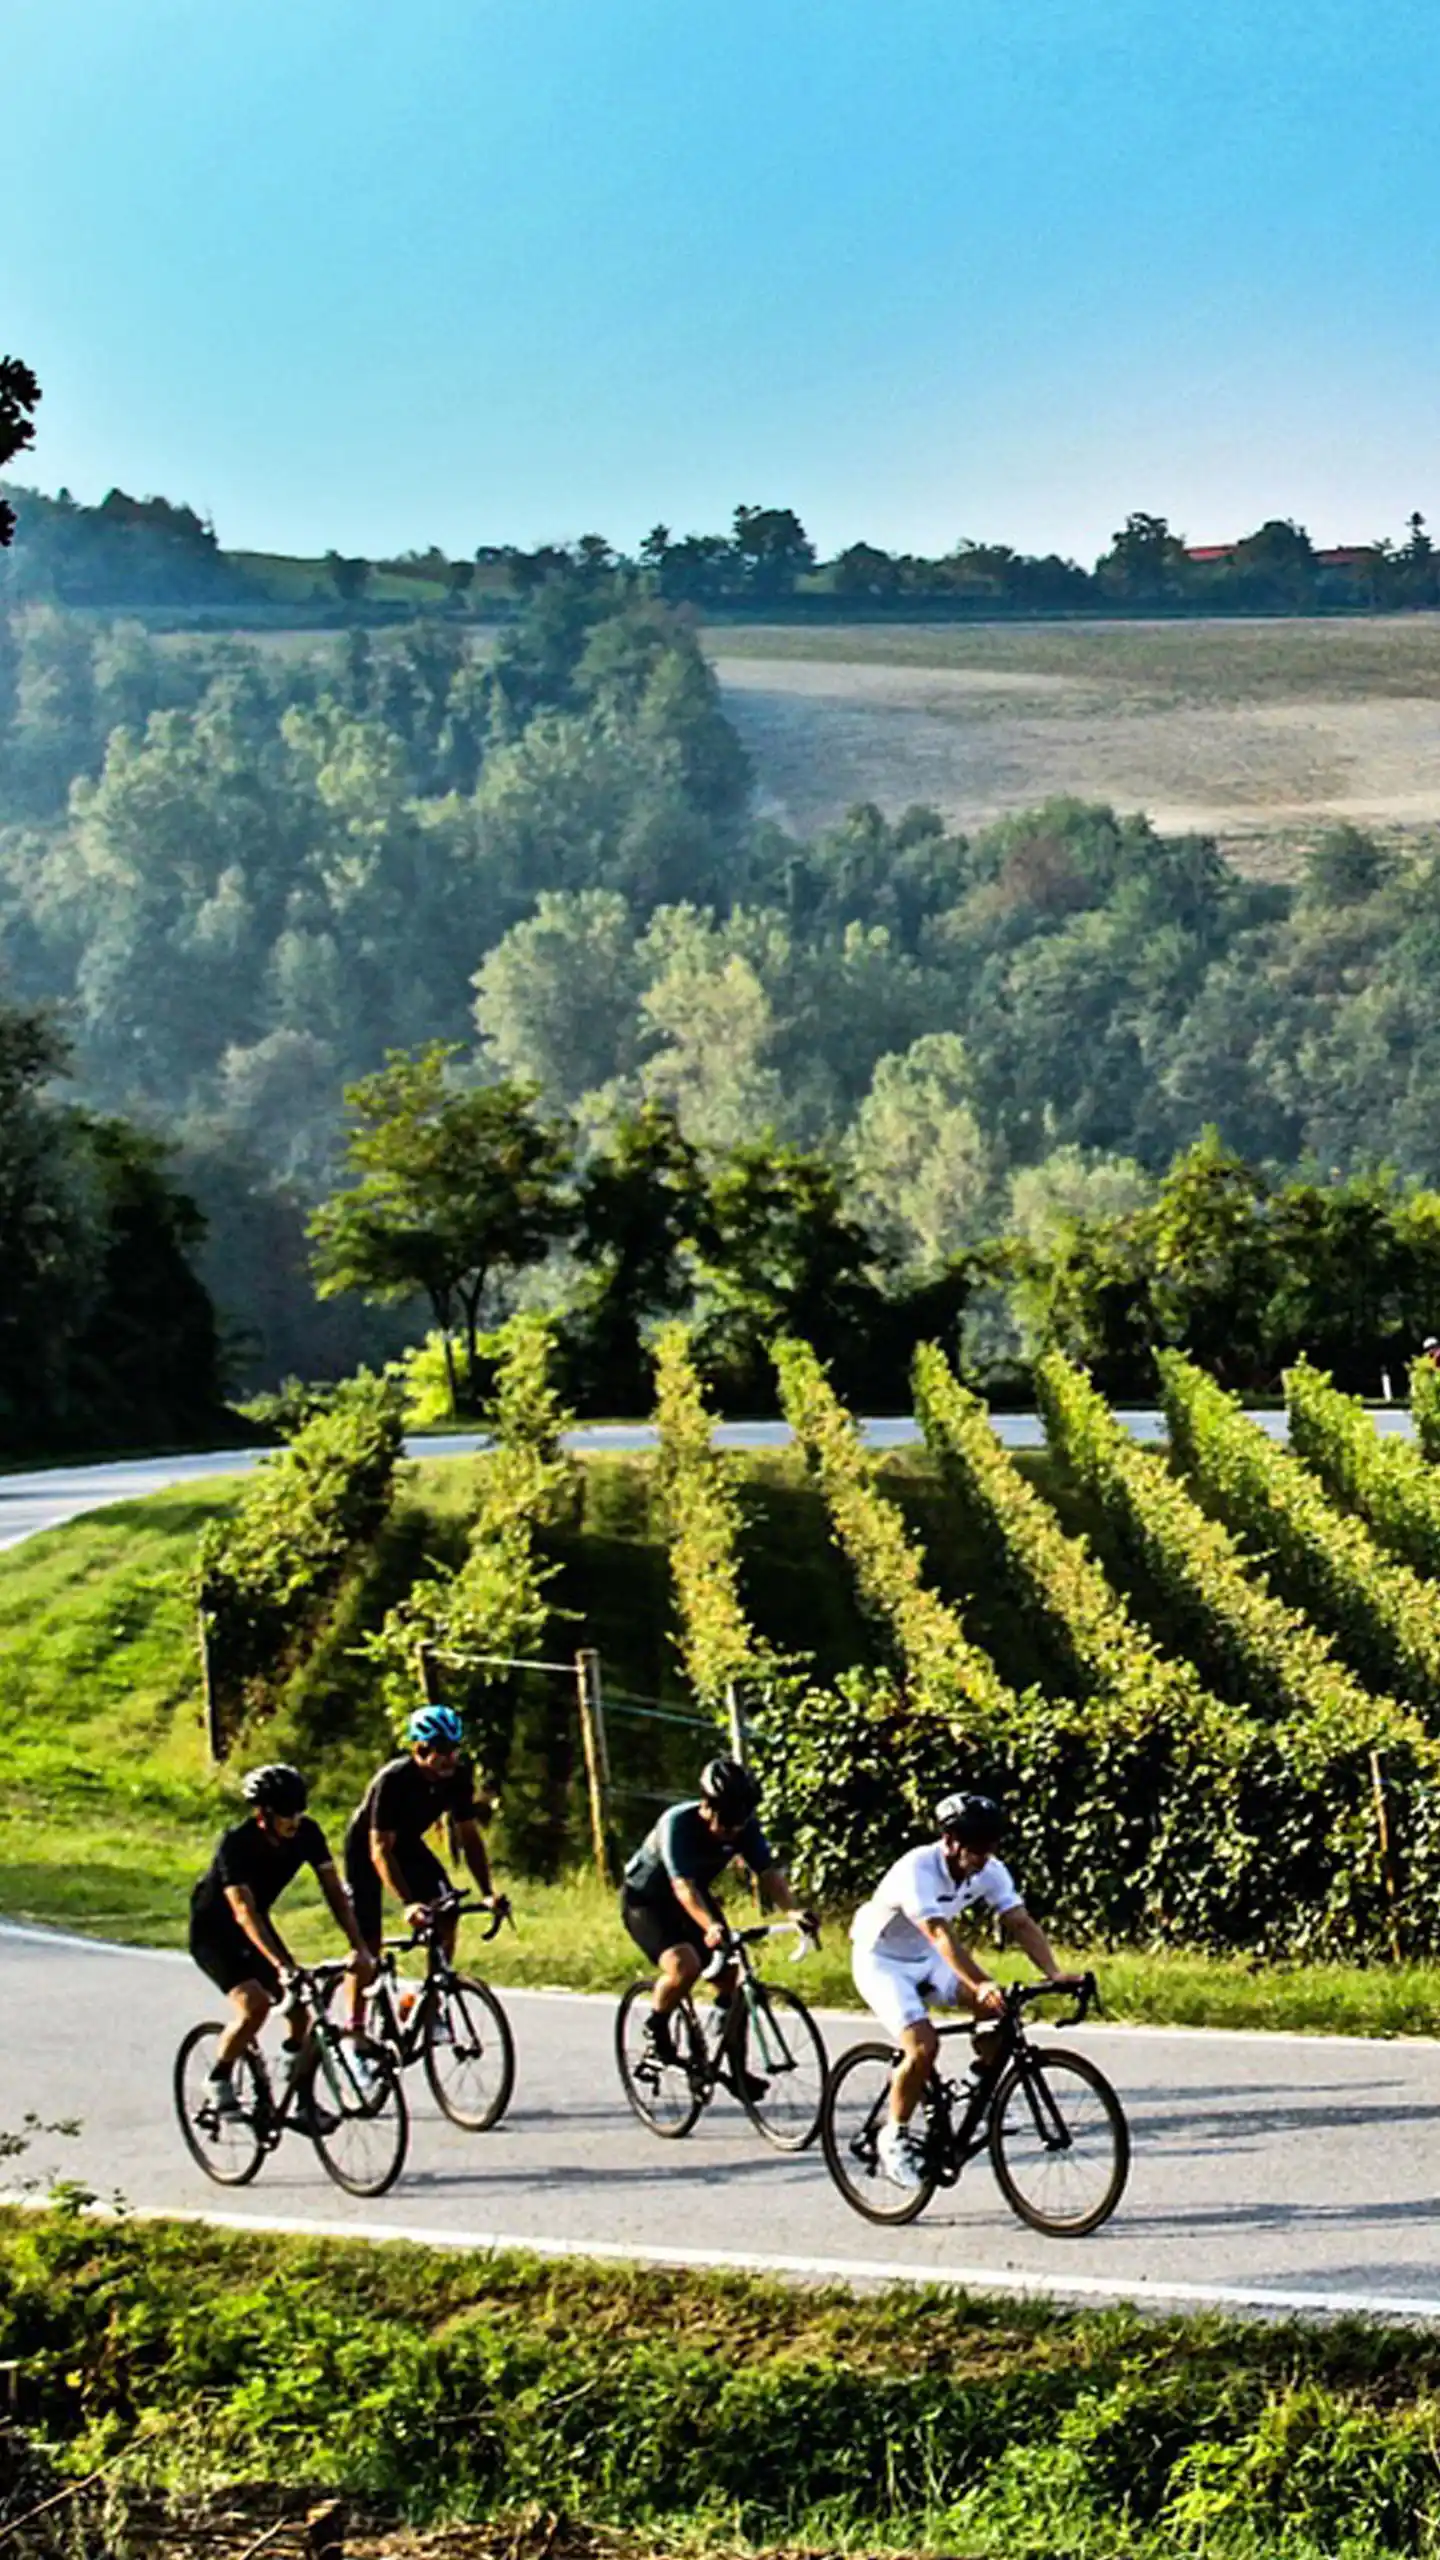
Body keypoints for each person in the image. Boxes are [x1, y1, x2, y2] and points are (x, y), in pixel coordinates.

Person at [849, 1790, 1066, 2188]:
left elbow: (1019, 1921)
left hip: (926, 1959)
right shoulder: (917, 1868)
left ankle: (975, 2088)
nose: (984, 1857)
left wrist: (1054, 1973)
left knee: (999, 2012)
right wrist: (980, 1982)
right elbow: (938, 1933)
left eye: (990, 1847)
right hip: (882, 1961)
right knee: (923, 2046)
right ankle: (893, 2136)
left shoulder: (990, 1869)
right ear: (950, 1841)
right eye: (977, 1848)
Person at [188, 1763, 376, 2116]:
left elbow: (334, 1892)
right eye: (287, 1813)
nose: (295, 1820)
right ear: (264, 1814)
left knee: (300, 2010)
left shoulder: (307, 1834)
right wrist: (282, 1966)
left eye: (299, 1811)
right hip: (215, 1932)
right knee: (255, 2005)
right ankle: (219, 2077)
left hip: (258, 1925)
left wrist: (359, 1947)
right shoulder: (237, 1844)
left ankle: (299, 2095)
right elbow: (243, 1911)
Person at [620, 1756, 815, 2092]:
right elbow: (683, 1886)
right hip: (648, 1902)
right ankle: (657, 2025)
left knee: (733, 1979)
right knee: (685, 1966)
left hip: (694, 1897)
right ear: (706, 1806)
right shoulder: (677, 1824)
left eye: (739, 1822)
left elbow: (768, 1873)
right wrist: (711, 1926)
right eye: (726, 1822)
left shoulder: (744, 1825)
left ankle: (736, 2070)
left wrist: (793, 1912)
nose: (732, 1830)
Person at [343, 1703, 504, 2025]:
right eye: (441, 1750)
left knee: (447, 1912)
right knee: (368, 1946)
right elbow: (380, 1850)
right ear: (419, 1748)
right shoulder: (393, 1779)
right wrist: (408, 1903)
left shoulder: (458, 1776)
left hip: (407, 1844)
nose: (449, 1758)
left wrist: (488, 1892)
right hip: (368, 1848)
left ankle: (428, 2003)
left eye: (454, 1749)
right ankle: (355, 2028)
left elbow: (469, 1837)